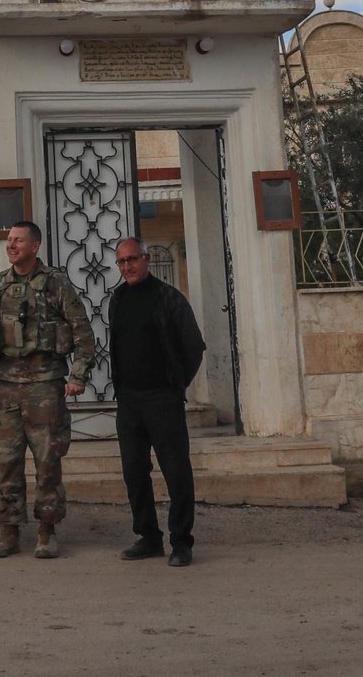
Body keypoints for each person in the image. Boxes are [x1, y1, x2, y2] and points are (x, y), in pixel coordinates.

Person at [0, 220, 95, 561]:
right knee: (7, 461)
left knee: (47, 462)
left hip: (45, 387)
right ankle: (8, 531)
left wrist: (78, 376)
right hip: (8, 388)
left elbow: (83, 333)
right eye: (9, 240)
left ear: (35, 246)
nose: (11, 245)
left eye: (18, 240)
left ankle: (46, 531)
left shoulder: (55, 284)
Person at [108, 236, 206, 568]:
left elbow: (194, 347)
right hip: (129, 403)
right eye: (121, 262)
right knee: (134, 472)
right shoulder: (117, 299)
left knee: (176, 471)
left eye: (132, 259)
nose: (127, 267)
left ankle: (181, 542)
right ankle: (149, 538)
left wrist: (174, 385)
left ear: (147, 259)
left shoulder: (169, 299)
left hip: (163, 401)